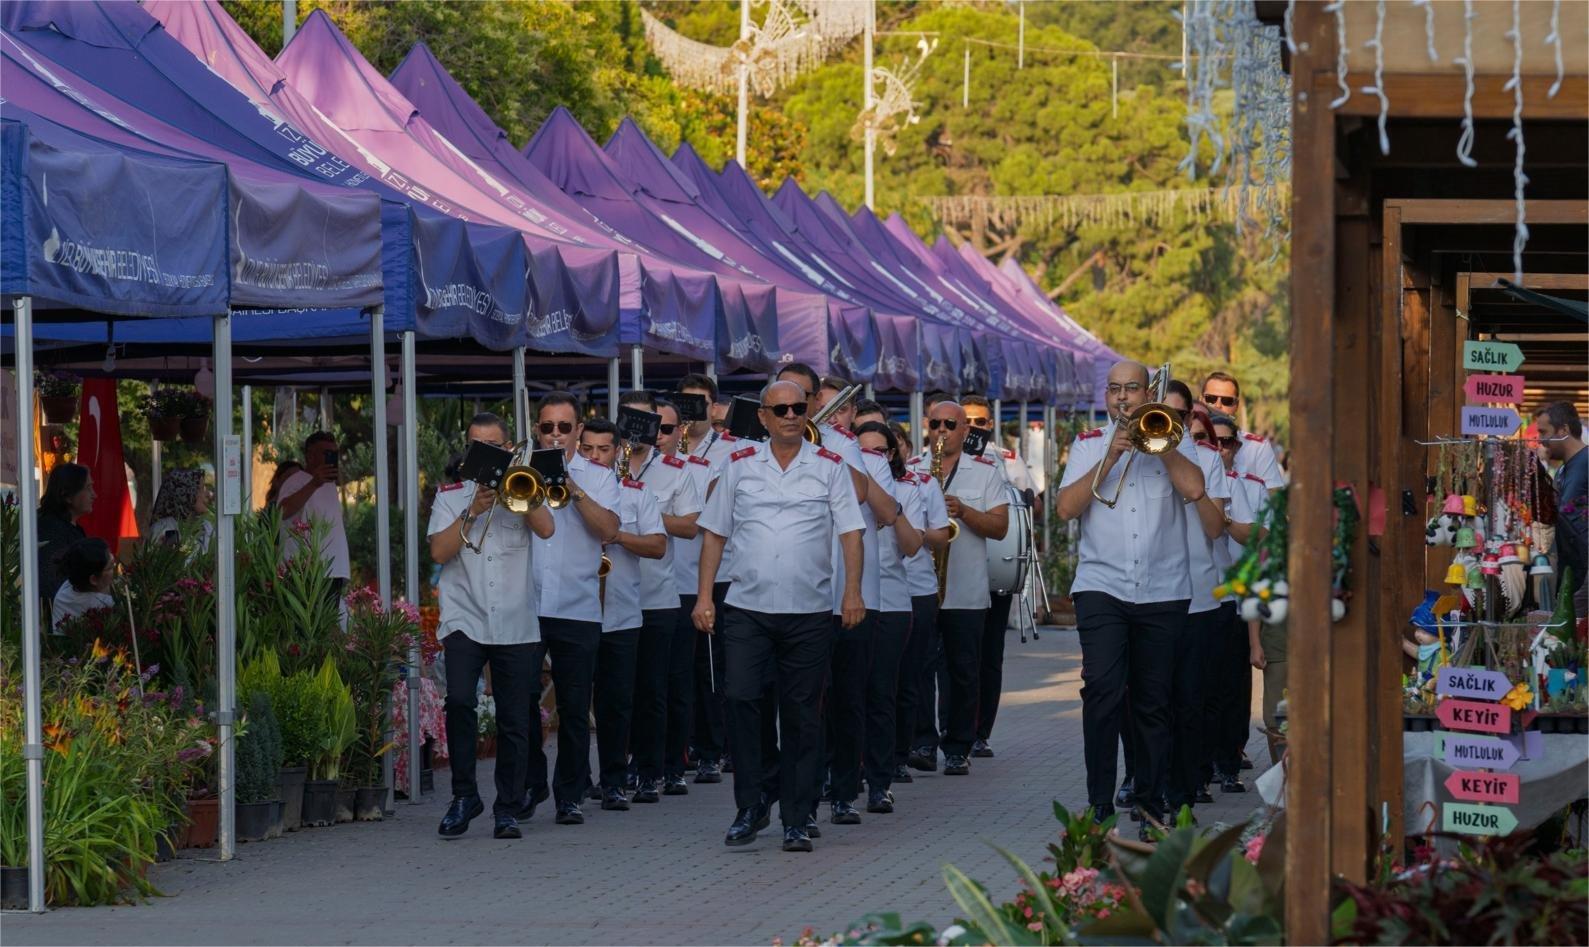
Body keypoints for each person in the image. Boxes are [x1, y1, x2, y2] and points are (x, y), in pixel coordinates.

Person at [693, 380, 865, 852]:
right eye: (781, 409)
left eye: (798, 407)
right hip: (747, 607)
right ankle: (753, 802)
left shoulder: (830, 466)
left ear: (807, 411)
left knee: (802, 715)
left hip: (809, 611)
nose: (791, 415)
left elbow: (851, 533)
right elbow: (714, 533)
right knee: (741, 699)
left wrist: (852, 592)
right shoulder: (738, 465)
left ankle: (797, 816)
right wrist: (704, 597)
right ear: (763, 417)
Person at [1056, 361, 1210, 836]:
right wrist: (1110, 457)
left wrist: (1161, 444)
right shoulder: (1088, 444)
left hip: (1164, 590)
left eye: (1131, 389)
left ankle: (1149, 805)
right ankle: (1099, 805)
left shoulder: (1176, 439)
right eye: (1114, 389)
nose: (1122, 397)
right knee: (1102, 693)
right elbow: (1065, 509)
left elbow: (1196, 489)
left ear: (1148, 394)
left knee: (1152, 702)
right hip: (1101, 586)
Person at [429, 413, 555, 840]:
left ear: (508, 448)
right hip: (464, 617)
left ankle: (508, 806)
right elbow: (439, 552)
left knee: (515, 718)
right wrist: (473, 510)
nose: (484, 451)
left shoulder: (524, 486)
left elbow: (548, 528)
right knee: (459, 702)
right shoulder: (450, 496)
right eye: (476, 445)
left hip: (515, 621)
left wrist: (519, 489)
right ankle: (464, 795)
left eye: (493, 445)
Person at [792, 369, 898, 826]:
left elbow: (865, 497)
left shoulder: (857, 452)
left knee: (850, 698)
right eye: (820, 407)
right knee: (809, 700)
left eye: (833, 408)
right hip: (806, 595)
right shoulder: (784, 449)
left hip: (854, 595)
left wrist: (833, 445)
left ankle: (844, 791)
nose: (824, 414)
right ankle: (808, 788)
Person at [529, 392, 622, 826]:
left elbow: (609, 530)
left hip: (577, 606)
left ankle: (569, 794)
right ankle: (529, 784)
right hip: (527, 604)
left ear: (578, 430)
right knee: (522, 702)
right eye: (547, 427)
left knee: (573, 707)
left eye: (564, 427)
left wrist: (572, 486)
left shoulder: (599, 477)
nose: (555, 435)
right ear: (537, 429)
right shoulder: (521, 470)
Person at [905, 399, 1009, 778]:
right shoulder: (911, 470)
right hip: (920, 586)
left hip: (965, 589)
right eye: (936, 423)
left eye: (951, 424)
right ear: (927, 426)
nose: (942, 431)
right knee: (918, 668)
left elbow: (1000, 528)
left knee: (964, 671)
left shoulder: (985, 472)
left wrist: (964, 511)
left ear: (966, 430)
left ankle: (958, 746)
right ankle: (922, 741)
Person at [580, 416, 667, 813]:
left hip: (621, 613)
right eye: (588, 449)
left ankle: (614, 781)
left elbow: (658, 546)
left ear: (618, 452)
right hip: (575, 612)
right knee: (575, 703)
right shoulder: (564, 493)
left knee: (616, 703)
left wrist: (616, 535)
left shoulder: (635, 494)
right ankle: (577, 780)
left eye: (603, 449)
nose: (595, 456)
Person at [1158, 386, 1234, 816]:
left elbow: (1215, 529)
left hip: (1197, 596)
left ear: (1189, 419)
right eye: (1162, 413)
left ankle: (1185, 787)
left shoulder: (1208, 460)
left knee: (1190, 701)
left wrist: (1191, 482)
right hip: (1149, 595)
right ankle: (1146, 782)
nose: (1170, 421)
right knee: (1149, 699)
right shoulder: (1136, 455)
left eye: (1178, 415)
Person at [628, 398, 705, 798]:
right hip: (612, 596)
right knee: (620, 689)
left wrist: (643, 515)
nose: (652, 434)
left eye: (661, 427)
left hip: (658, 593)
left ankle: (663, 767)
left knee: (660, 688)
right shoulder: (604, 464)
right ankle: (623, 766)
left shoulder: (677, 471)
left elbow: (692, 527)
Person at [854, 421, 924, 813]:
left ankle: (880, 782)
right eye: (862, 451)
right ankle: (843, 774)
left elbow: (912, 546)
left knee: (881, 693)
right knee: (847, 693)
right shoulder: (837, 479)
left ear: (892, 454)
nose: (871, 458)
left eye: (878, 451)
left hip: (892, 602)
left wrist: (889, 507)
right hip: (849, 600)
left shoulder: (908, 489)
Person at [961, 394, 1031, 758]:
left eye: (981, 422)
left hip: (997, 570)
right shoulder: (932, 459)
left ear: (990, 424)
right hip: (955, 571)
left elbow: (1031, 507)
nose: (974, 427)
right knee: (953, 656)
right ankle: (951, 728)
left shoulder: (1007, 460)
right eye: (967, 421)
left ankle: (980, 731)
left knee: (989, 654)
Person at [677, 374, 737, 780]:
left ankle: (718, 747)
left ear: (714, 407)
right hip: (675, 573)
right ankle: (689, 747)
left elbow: (717, 510)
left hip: (719, 571)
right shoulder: (666, 448)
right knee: (686, 668)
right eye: (685, 403)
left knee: (717, 667)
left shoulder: (730, 450)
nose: (690, 412)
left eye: (698, 403)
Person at [892, 422, 951, 784]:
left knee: (917, 671)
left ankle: (920, 744)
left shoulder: (923, 483)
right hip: (878, 591)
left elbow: (942, 534)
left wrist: (912, 532)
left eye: (895, 444)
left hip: (917, 586)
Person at [275, 432, 350, 595]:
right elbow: (282, 512)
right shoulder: (296, 480)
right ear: (310, 456)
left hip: (333, 568)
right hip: (306, 570)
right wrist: (314, 483)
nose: (331, 458)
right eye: (327, 453)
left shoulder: (330, 484)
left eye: (334, 453)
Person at [1535, 402, 1586, 614]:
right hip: (1572, 575)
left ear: (1563, 430)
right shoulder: (1564, 471)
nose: (1540, 439)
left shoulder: (1586, 463)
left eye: (1544, 431)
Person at [1200, 372, 1285, 492]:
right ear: (1200, 400)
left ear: (1236, 405)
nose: (1218, 405)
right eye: (1211, 399)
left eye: (1227, 401)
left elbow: (1273, 496)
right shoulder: (1186, 441)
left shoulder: (1257, 448)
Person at [37, 463, 94, 612]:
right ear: (67, 495)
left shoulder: (73, 529)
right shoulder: (51, 529)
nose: (94, 495)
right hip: (56, 617)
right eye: (88, 488)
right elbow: (52, 583)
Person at [51, 538, 115, 632]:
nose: (115, 567)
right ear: (93, 580)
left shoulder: (66, 589)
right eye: (111, 567)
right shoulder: (107, 605)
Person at [148, 468, 214, 550]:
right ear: (186, 494)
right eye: (201, 489)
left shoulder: (207, 526)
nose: (208, 494)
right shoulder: (162, 528)